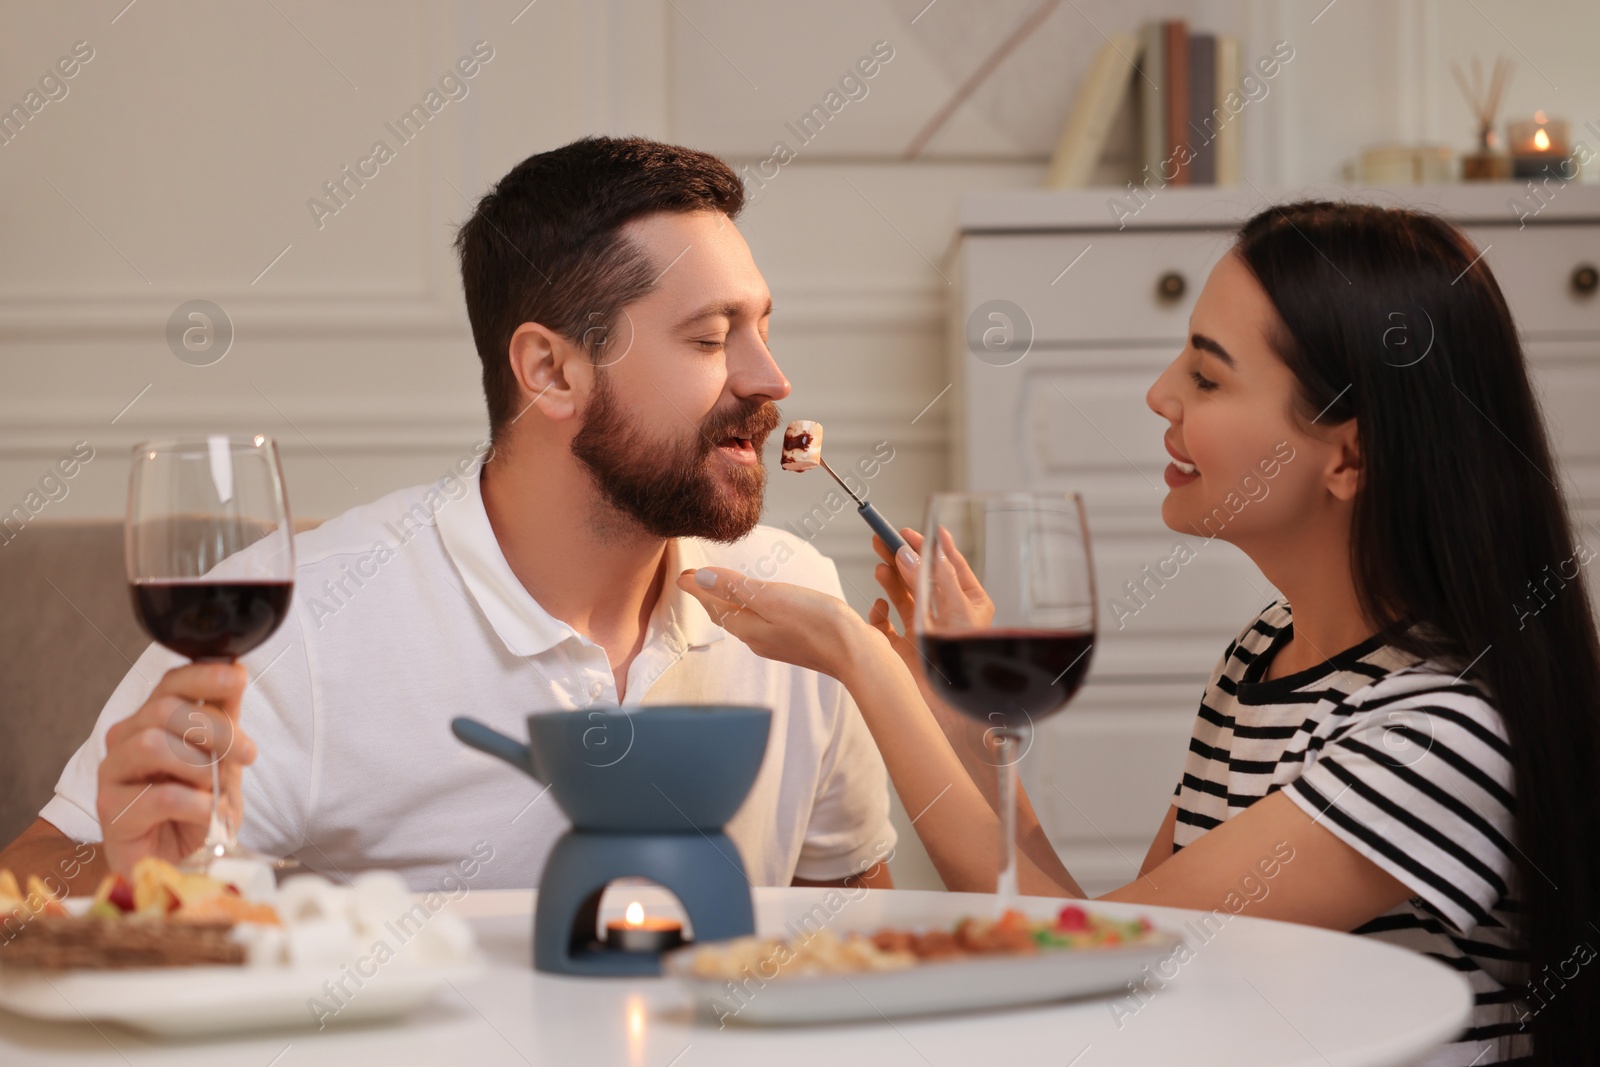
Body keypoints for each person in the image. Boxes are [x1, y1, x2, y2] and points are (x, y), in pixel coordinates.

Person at [678, 201, 1600, 1065]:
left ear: (1348, 454)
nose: (1163, 395)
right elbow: (1100, 937)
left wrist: (857, 660)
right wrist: (957, 710)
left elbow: (1089, 960)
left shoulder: (1440, 737)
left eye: (1206, 373)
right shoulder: (1264, 656)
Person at [0, 137, 896, 895]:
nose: (769, 377)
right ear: (549, 371)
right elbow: (35, 878)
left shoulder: (801, 607)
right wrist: (128, 877)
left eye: (762, 328)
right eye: (710, 337)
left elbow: (854, 938)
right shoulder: (299, 618)